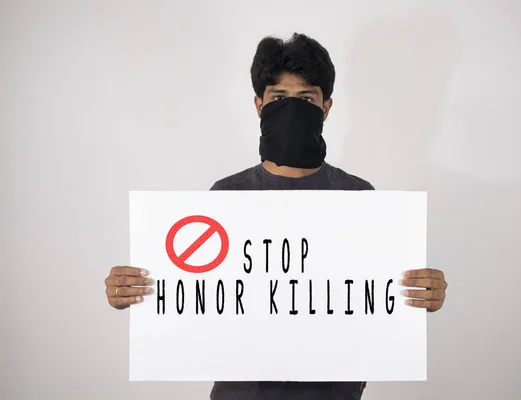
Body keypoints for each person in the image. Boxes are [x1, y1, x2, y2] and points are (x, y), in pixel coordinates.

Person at [104, 32, 448, 400]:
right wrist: (133, 291)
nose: (292, 108)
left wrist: (423, 295)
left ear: (326, 107)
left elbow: (378, 300)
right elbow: (195, 296)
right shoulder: (225, 197)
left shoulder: (360, 198)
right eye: (279, 97)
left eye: (306, 98)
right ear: (259, 104)